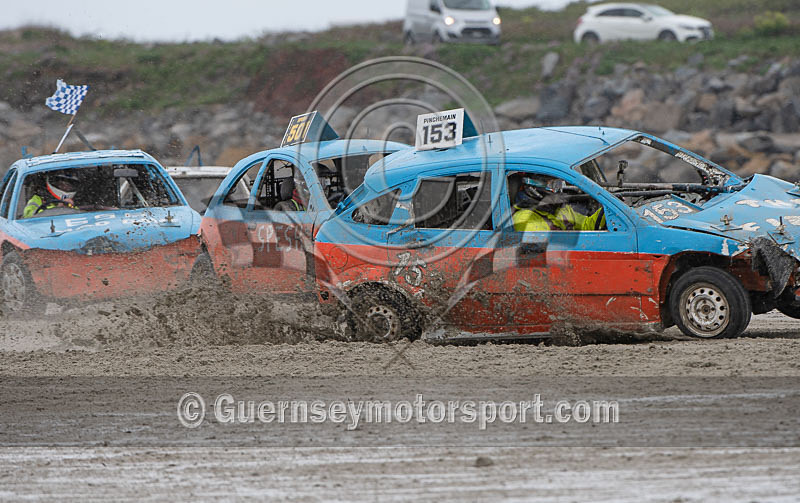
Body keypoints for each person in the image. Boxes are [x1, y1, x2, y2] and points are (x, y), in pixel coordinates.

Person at [512, 175, 605, 232]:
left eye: (559, 184)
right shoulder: (524, 218)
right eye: (553, 185)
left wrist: (606, 210)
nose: (557, 190)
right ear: (535, 188)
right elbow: (548, 250)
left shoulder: (561, 210)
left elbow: (587, 225)